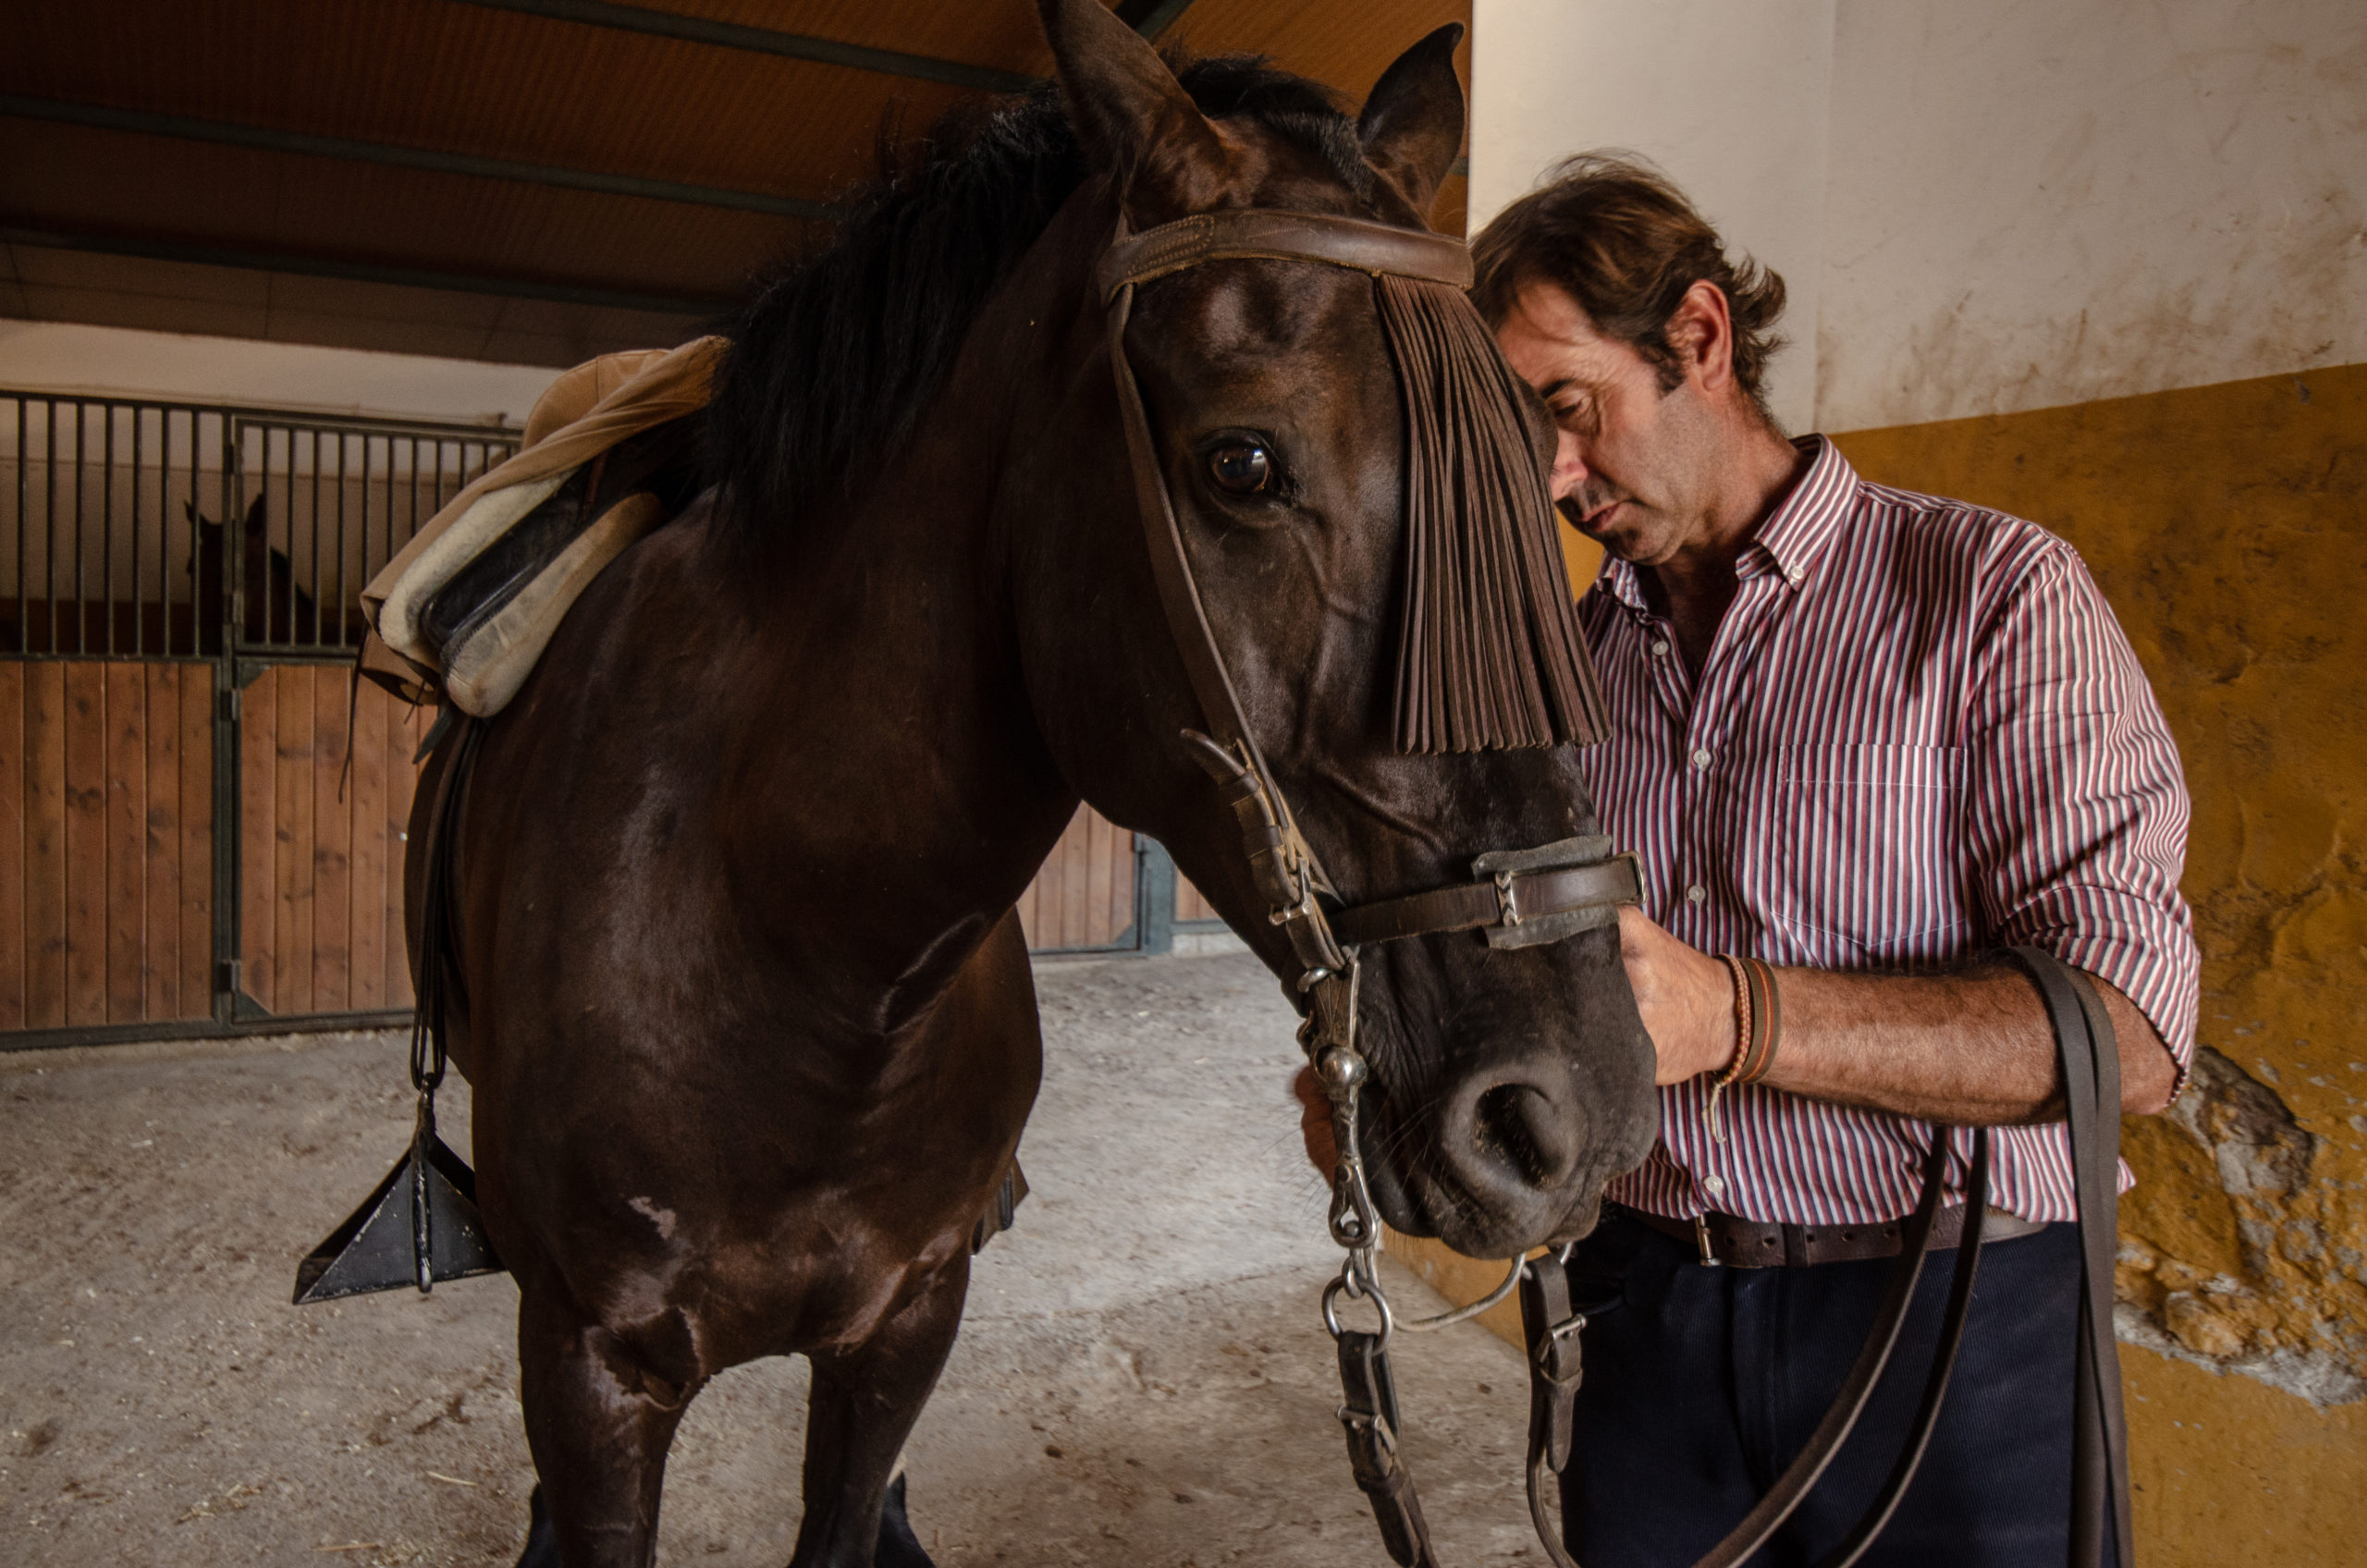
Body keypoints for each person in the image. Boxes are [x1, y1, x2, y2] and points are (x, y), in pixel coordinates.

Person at [1458, 156, 2198, 1564]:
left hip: (1955, 1330)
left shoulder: (1991, 595)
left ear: (1699, 339)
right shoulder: (1568, 668)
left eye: (1568, 409)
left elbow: (2133, 1041)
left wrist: (1738, 1020)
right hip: (1644, 1320)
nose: (1554, 477)